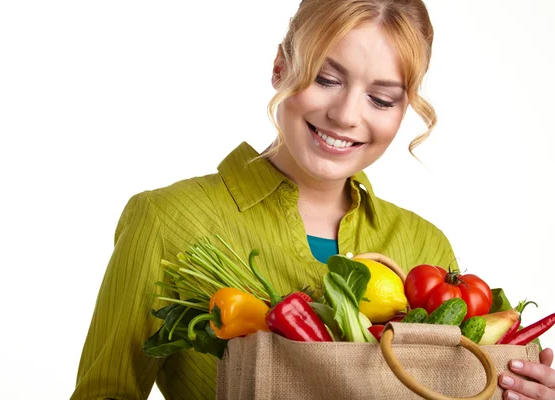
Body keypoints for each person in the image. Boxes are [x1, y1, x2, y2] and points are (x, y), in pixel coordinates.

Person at [71, 0, 555, 399]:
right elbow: (105, 392)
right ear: (281, 67)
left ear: (405, 108)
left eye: (382, 99)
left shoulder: (423, 246)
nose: (346, 114)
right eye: (327, 78)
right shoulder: (167, 219)